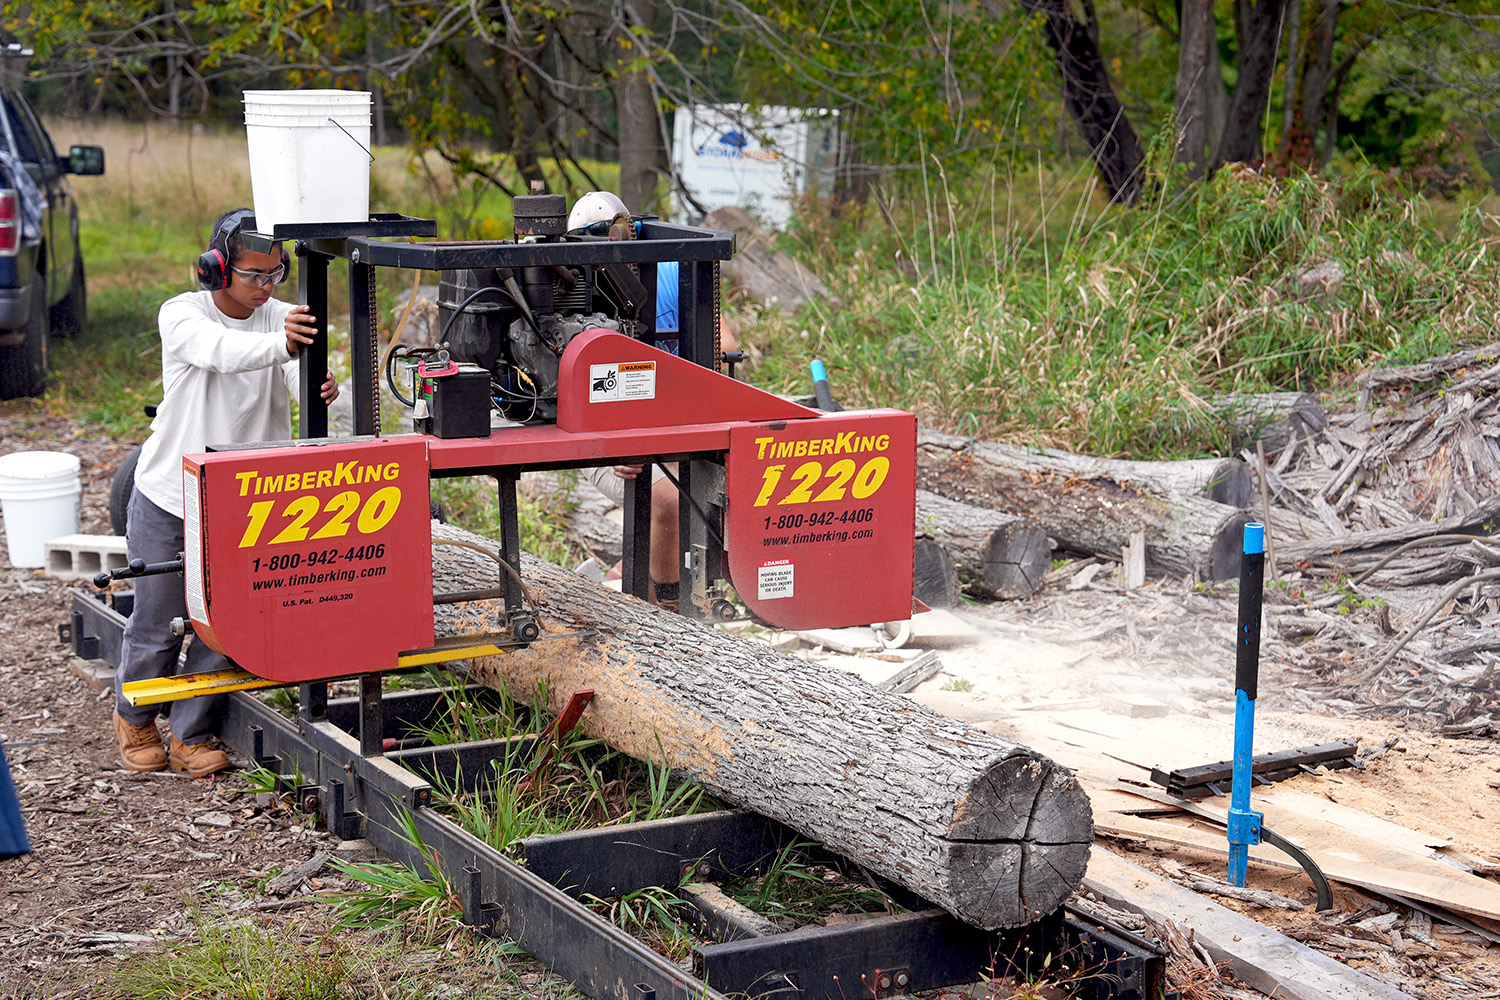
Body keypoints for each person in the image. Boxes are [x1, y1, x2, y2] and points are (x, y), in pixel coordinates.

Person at [113, 208, 338, 777]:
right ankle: (135, 715)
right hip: (172, 493)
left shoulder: (282, 317)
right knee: (157, 619)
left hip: (247, 500)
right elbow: (222, 352)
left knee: (228, 622)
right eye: (254, 276)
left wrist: (324, 384)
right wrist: (285, 350)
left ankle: (190, 732)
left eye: (275, 276)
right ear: (217, 270)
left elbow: (300, 376)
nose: (266, 289)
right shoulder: (182, 316)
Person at [568, 193, 737, 609]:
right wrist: (611, 449)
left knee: (725, 488)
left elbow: (727, 345)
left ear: (629, 232)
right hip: (606, 442)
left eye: (615, 239)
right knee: (668, 497)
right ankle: (668, 611)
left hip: (674, 425)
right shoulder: (573, 294)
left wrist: (678, 393)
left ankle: (627, 582)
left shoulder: (668, 274)